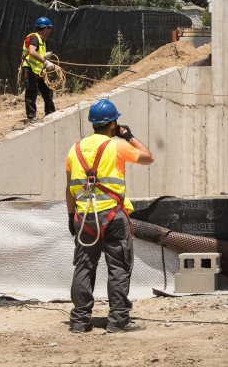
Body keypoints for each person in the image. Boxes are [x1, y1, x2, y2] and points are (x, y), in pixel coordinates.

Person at [66, 98, 155, 334]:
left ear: (93, 124)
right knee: (118, 267)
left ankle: (80, 321)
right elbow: (148, 156)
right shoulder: (117, 146)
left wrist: (70, 216)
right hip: (113, 217)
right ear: (113, 123)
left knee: (84, 267)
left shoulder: (74, 150)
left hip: (84, 218)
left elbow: (69, 189)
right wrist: (129, 136)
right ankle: (117, 321)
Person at [22, 16, 57, 123]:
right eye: (49, 28)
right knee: (31, 92)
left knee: (47, 91)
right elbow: (32, 52)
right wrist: (45, 62)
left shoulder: (44, 41)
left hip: (38, 69)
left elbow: (38, 54)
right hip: (29, 68)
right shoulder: (34, 37)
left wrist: (45, 58)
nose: (50, 30)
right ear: (44, 28)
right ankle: (31, 117)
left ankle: (50, 113)